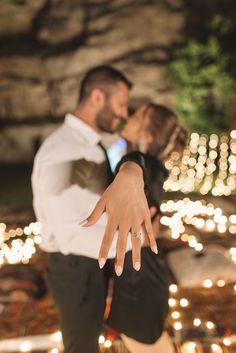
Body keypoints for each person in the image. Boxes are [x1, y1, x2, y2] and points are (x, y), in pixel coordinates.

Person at [31, 65, 156, 353]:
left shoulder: (85, 145)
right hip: (75, 267)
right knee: (82, 346)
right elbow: (71, 234)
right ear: (98, 97)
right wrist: (137, 238)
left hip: (87, 263)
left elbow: (93, 207)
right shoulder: (63, 151)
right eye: (121, 104)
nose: (124, 114)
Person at [84, 102, 187, 353]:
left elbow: (138, 162)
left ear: (147, 135)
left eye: (138, 116)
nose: (129, 116)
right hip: (138, 275)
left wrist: (130, 169)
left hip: (141, 282)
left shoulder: (148, 167)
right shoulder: (146, 168)